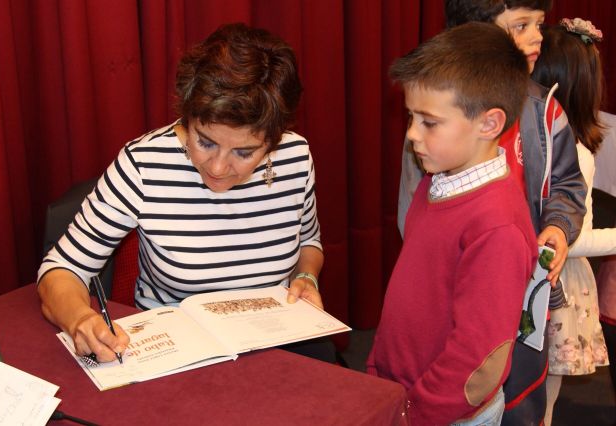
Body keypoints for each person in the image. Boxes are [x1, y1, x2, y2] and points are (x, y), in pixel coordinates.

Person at [37, 23, 329, 364]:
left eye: (244, 152)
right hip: (180, 357)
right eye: (204, 141)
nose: (218, 168)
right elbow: (60, 269)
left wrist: (307, 276)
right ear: (188, 119)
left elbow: (309, 242)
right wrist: (80, 319)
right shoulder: (144, 164)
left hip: (276, 345)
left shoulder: (294, 157)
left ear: (274, 141)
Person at [397, 1, 588, 423]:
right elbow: (414, 218)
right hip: (448, 295)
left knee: (513, 392)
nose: (538, 37)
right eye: (521, 25)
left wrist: (556, 227)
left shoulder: (545, 112)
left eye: (538, 24)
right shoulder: (437, 124)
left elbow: (568, 186)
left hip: (515, 288)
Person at [366, 22, 538, 425]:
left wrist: (413, 413)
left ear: (489, 124)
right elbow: (409, 302)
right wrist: (379, 374)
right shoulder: (436, 183)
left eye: (428, 122)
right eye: (411, 117)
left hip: (442, 414)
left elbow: (479, 363)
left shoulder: (496, 226)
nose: (411, 134)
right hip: (402, 392)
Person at [531, 18, 615, 425]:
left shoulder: (536, 138)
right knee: (542, 399)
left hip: (539, 276)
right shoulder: (577, 152)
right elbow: (575, 240)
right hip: (559, 283)